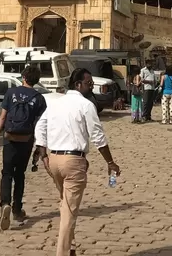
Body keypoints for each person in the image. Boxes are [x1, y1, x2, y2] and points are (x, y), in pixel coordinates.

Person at [34, 68, 121, 256]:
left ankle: (71, 248)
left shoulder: (55, 103)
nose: (91, 87)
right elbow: (98, 136)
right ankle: (63, 253)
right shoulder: (86, 105)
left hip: (55, 160)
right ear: (77, 84)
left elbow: (41, 126)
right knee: (69, 212)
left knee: (65, 204)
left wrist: (44, 154)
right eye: (89, 83)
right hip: (73, 162)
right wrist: (110, 162)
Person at [0, 64, 48, 230]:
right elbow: (41, 124)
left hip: (10, 138)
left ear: (23, 77)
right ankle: (17, 209)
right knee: (20, 174)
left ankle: (5, 203)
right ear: (36, 80)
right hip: (26, 139)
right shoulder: (39, 98)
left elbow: (3, 117)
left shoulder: (11, 93)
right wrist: (40, 146)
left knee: (7, 172)